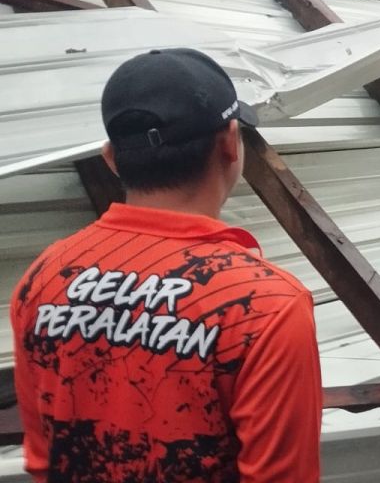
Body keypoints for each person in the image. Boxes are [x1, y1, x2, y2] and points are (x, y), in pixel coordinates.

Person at [10, 48, 322, 483]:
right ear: (230, 142)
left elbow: (44, 460)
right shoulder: (264, 308)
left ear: (111, 157)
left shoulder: (44, 279)